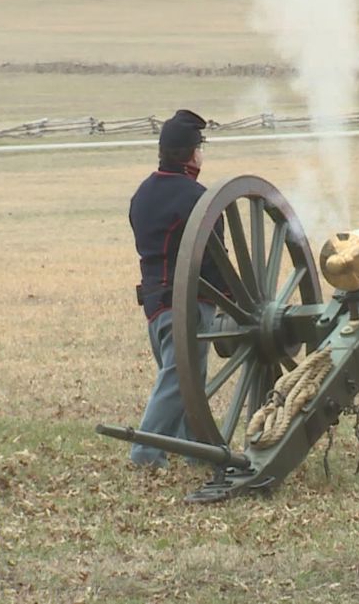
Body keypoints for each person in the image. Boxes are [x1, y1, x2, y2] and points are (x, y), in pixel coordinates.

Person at [128, 109, 220, 467]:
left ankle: (199, 453)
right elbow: (217, 261)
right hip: (188, 307)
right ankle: (146, 453)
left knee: (185, 385)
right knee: (181, 381)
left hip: (154, 306)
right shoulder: (197, 197)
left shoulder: (142, 194)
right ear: (192, 153)